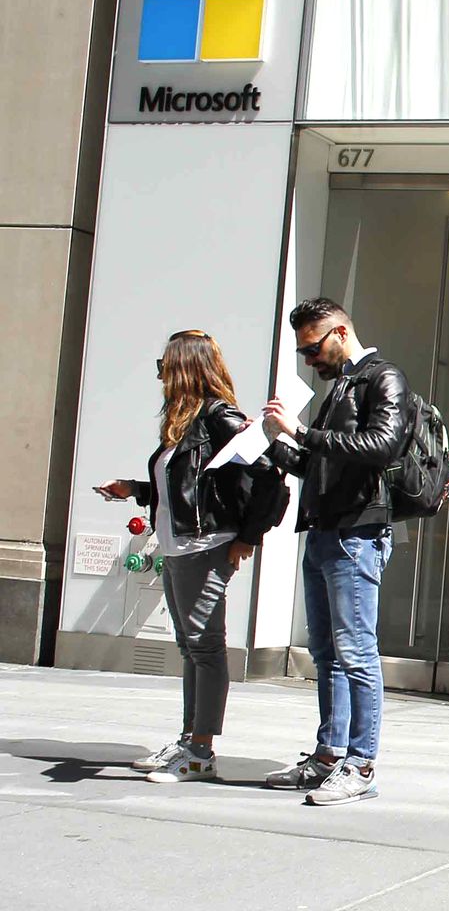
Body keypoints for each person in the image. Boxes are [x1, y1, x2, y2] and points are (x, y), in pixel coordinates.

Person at [95, 330, 284, 783]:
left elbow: (271, 478)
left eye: (164, 363)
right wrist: (136, 490)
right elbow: (190, 489)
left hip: (206, 547)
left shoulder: (219, 416)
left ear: (184, 366)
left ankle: (201, 753)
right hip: (179, 544)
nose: (159, 371)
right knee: (191, 648)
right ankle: (189, 741)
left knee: (205, 647)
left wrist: (247, 538)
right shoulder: (184, 420)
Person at [258, 298, 411, 806]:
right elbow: (320, 464)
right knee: (327, 654)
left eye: (312, 347)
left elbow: (382, 445)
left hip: (357, 535)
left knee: (357, 653)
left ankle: (361, 763)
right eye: (303, 351)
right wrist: (272, 444)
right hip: (325, 533)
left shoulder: (381, 377)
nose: (309, 360)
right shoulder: (340, 388)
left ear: (340, 332)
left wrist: (303, 431)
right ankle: (328, 756)